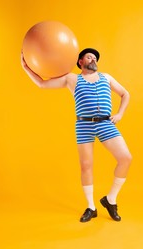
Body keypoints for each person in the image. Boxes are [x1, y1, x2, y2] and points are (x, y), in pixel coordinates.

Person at [21, 48, 132, 223]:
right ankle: (91, 207)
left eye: (95, 58)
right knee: (86, 166)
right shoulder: (71, 78)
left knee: (125, 158)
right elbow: (42, 84)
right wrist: (26, 67)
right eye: (89, 57)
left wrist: (120, 114)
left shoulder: (106, 77)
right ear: (80, 61)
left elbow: (125, 94)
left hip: (105, 123)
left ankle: (110, 200)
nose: (93, 59)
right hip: (83, 125)